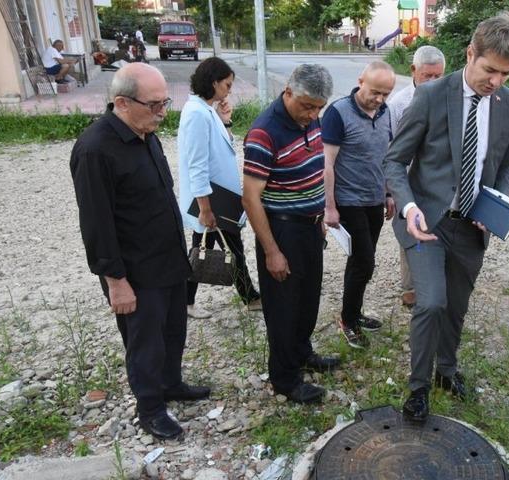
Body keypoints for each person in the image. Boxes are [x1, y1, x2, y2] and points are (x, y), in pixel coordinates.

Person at [384, 12, 509, 421]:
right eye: (490, 70)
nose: (496, 81)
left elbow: (507, 165)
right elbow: (395, 162)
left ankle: (446, 371)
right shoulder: (430, 96)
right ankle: (418, 388)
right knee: (430, 302)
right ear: (470, 53)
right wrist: (408, 207)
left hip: (471, 225)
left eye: (506, 74)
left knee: (456, 306)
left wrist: (497, 203)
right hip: (425, 220)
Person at [70, 63, 209, 441]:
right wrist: (116, 281)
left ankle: (171, 384)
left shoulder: (145, 133)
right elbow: (96, 225)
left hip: (168, 259)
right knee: (144, 343)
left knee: (173, 332)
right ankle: (150, 407)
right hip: (135, 272)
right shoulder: (95, 150)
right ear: (122, 102)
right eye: (154, 105)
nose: (163, 112)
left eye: (165, 102)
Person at [242, 64, 341, 404]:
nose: (313, 114)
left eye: (319, 108)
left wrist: (321, 218)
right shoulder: (264, 133)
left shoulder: (311, 119)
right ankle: (284, 378)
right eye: (307, 106)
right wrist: (271, 250)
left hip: (310, 226)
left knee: (308, 298)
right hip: (282, 229)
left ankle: (302, 353)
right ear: (287, 92)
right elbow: (250, 197)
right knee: (283, 307)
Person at [177, 57, 261, 319]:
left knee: (216, 246)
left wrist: (225, 120)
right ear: (213, 83)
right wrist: (204, 207)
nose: (229, 90)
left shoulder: (207, 110)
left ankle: (245, 296)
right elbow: (197, 164)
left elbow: (222, 148)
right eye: (227, 84)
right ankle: (246, 297)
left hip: (219, 195)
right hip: (211, 198)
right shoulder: (196, 113)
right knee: (208, 248)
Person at [322, 61, 397, 349]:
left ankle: (354, 312)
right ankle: (348, 320)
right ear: (360, 81)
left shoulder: (385, 112)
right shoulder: (338, 113)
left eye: (385, 94)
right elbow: (327, 163)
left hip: (374, 199)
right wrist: (330, 207)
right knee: (364, 260)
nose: (379, 99)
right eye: (375, 92)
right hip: (348, 201)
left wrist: (389, 193)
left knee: (362, 261)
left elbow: (386, 156)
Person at [387, 46, 446, 307]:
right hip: (408, 179)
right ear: (413, 71)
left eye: (438, 76)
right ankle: (409, 287)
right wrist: (391, 191)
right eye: (427, 76)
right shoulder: (398, 104)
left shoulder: (448, 98)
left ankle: (437, 282)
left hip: (436, 179)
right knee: (410, 229)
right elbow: (391, 150)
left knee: (438, 227)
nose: (433, 82)